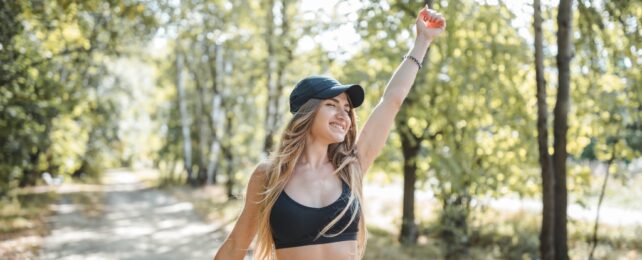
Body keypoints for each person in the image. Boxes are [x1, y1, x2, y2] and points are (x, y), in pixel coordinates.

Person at [214, 6, 446, 260]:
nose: (343, 115)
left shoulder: (351, 166)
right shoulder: (270, 175)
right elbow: (236, 243)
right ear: (308, 112)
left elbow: (392, 101)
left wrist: (422, 41)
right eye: (332, 105)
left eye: (346, 109)